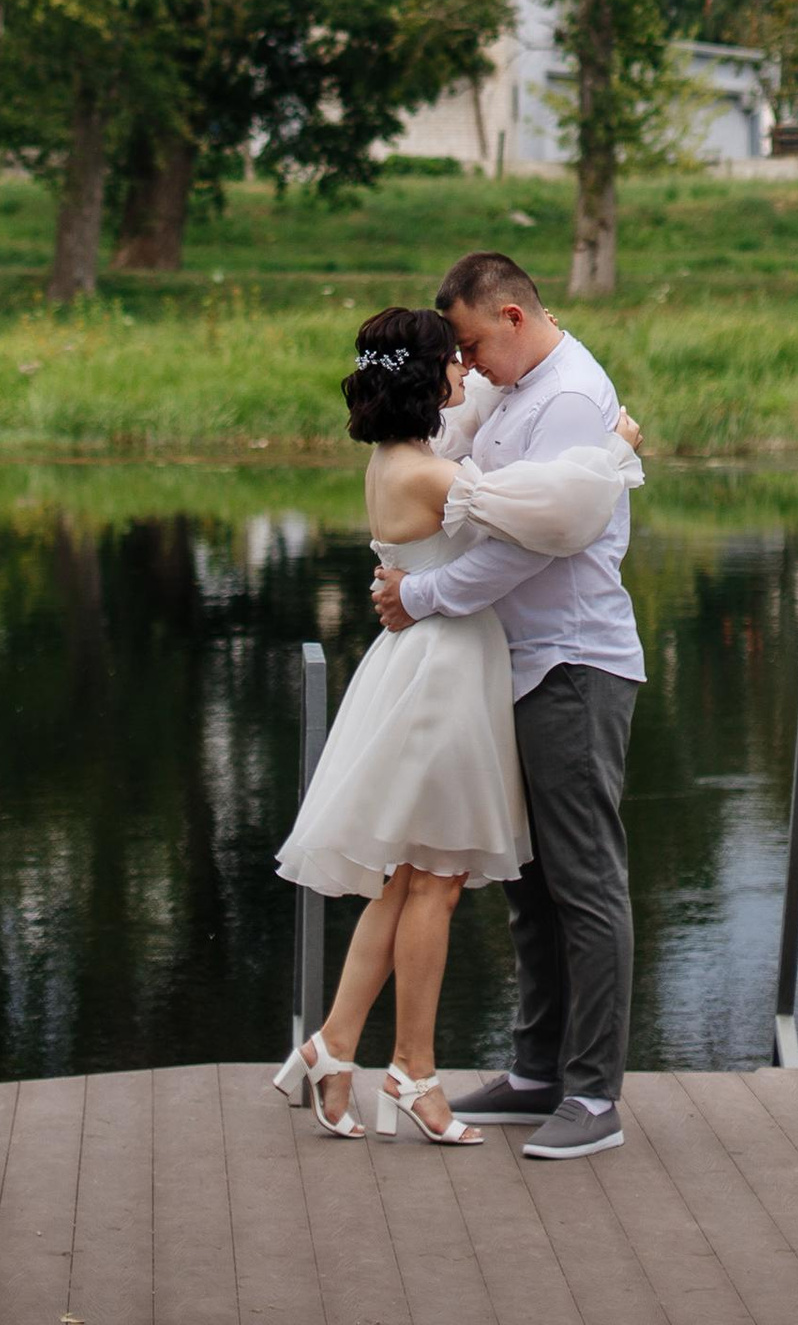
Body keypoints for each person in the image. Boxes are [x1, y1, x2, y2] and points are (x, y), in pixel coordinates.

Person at [273, 303, 642, 1149]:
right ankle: (413, 1075)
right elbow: (549, 517)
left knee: (405, 879)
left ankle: (337, 1050)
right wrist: (615, 452)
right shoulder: (432, 475)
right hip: (443, 671)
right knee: (433, 879)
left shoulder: (399, 456)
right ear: (425, 377)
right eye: (454, 362)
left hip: (427, 664)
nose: (466, 375)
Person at [369, 250, 643, 1161]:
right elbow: (457, 488)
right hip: (514, 662)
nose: (471, 361)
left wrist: (424, 597)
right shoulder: (513, 388)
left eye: (476, 342)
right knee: (530, 884)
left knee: (585, 881)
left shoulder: (565, 396)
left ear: (515, 319)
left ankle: (594, 1097)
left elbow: (543, 543)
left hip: (572, 659)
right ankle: (536, 1071)